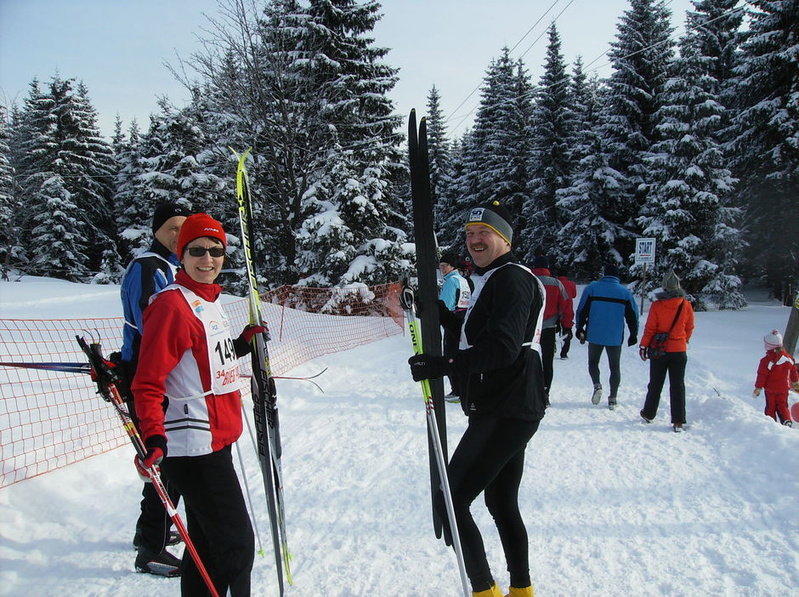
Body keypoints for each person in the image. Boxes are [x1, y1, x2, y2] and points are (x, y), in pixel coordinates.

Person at [408, 200, 546, 597]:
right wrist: (438, 313)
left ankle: (485, 590)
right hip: (508, 404)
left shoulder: (511, 279)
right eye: (469, 233)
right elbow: (479, 335)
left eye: (485, 232)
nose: (474, 240)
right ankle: (521, 589)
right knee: (500, 502)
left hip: (507, 406)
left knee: (450, 501)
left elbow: (502, 348)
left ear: (505, 239)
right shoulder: (494, 278)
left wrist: (442, 365)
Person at [132, 213, 259, 596]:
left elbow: (203, 357)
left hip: (216, 438)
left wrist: (241, 345)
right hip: (192, 446)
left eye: (215, 251)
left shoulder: (208, 299)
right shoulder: (171, 306)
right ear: (181, 254)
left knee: (206, 544)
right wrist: (153, 435)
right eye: (197, 250)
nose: (208, 259)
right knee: (235, 546)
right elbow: (148, 381)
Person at [120, 201, 191, 576]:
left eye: (183, 227)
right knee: (164, 457)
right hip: (150, 374)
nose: (178, 235)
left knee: (167, 454)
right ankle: (151, 548)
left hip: (164, 372)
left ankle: (149, 531)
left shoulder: (169, 265)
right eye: (171, 228)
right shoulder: (149, 266)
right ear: (157, 230)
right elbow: (155, 326)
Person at [575, 263, 639, 410]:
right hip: (614, 335)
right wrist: (633, 333)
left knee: (593, 362)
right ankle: (613, 398)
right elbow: (632, 315)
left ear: (604, 274)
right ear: (617, 275)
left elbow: (582, 310)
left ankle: (597, 385)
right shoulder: (625, 293)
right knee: (615, 367)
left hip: (595, 333)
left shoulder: (592, 289)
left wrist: (579, 328)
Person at [638, 270, 695, 432]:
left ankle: (649, 413)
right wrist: (683, 340)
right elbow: (690, 327)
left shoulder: (657, 305)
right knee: (678, 385)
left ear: (664, 287)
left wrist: (644, 346)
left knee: (655, 383)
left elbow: (650, 328)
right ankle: (678, 421)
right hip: (679, 350)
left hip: (659, 350)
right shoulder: (686, 305)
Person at [530, 255, 573, 406]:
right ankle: (545, 392)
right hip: (549, 327)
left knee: (527, 359)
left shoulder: (529, 281)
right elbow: (566, 306)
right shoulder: (556, 283)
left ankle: (528, 391)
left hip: (530, 328)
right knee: (547, 361)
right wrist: (567, 326)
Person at [439, 251, 472, 400]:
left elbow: (445, 304)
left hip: (452, 318)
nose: (442, 269)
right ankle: (462, 389)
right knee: (460, 354)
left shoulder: (451, 281)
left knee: (450, 355)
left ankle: (457, 390)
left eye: (444, 265)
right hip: (463, 319)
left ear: (452, 266)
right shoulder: (462, 280)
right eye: (440, 265)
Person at [753, 329, 799, 426]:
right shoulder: (788, 358)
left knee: (771, 407)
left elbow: (762, 375)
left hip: (771, 389)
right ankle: (786, 420)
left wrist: (758, 387)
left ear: (768, 346)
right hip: (784, 389)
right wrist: (795, 382)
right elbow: (793, 371)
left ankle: (770, 423)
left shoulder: (766, 361)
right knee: (783, 406)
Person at [555, 268, 577, 359]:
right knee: (567, 330)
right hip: (567, 309)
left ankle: (552, 347)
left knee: (551, 330)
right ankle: (564, 353)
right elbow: (574, 295)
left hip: (555, 309)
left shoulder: (555, 283)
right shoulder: (571, 284)